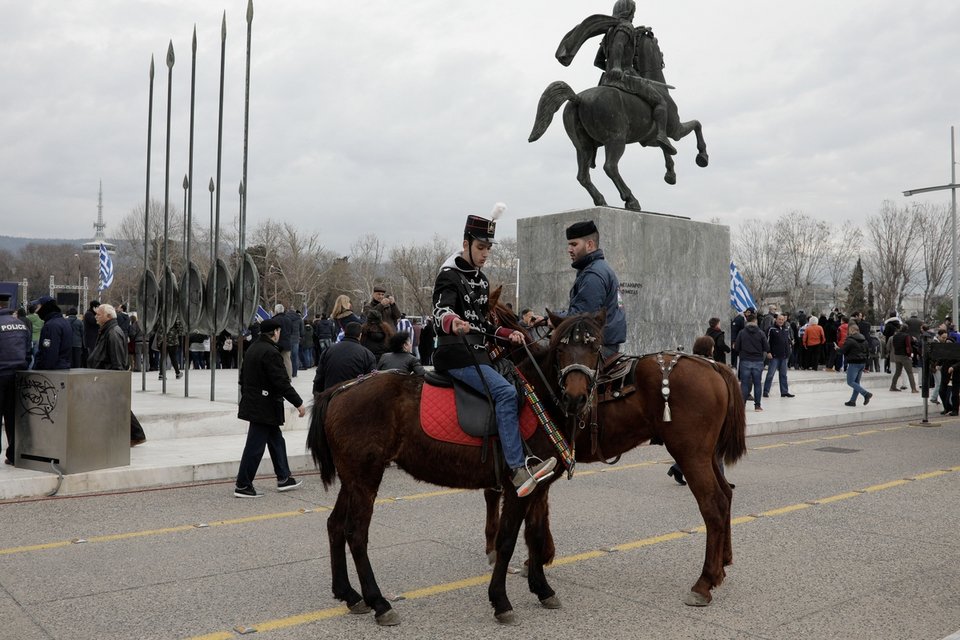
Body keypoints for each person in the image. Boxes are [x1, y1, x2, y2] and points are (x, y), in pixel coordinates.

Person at [433, 207, 556, 497]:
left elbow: (485, 325)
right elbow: (441, 311)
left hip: (480, 355)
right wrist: (453, 322)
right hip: (455, 355)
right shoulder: (448, 276)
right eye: (480, 247)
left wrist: (508, 334)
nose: (485, 253)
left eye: (488, 248)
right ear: (465, 244)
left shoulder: (482, 280)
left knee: (521, 385)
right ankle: (515, 469)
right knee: (505, 393)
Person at [590, 0, 676, 155]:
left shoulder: (608, 32)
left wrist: (610, 68)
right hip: (626, 77)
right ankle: (662, 135)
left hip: (606, 80)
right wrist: (618, 67)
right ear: (629, 12)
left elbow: (597, 62)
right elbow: (619, 46)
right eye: (633, 12)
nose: (633, 15)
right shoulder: (626, 27)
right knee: (660, 101)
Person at [234, 317, 306, 498]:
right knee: (255, 446)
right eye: (278, 331)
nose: (279, 334)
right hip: (264, 406)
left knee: (276, 441)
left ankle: (284, 478)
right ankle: (243, 485)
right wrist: (298, 402)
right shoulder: (271, 352)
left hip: (256, 403)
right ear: (275, 332)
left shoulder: (253, 348)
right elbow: (281, 381)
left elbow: (242, 378)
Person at [552, 220, 626, 358]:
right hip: (606, 343)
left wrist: (552, 320)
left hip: (599, 347)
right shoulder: (596, 268)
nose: (569, 249)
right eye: (569, 244)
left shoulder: (593, 275)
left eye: (574, 244)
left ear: (590, 245)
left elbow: (581, 317)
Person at [87, 303, 147, 446]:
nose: (96, 316)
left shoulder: (113, 332)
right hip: (104, 376)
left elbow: (117, 359)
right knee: (117, 407)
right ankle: (134, 435)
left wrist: (116, 379)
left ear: (108, 316)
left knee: (119, 406)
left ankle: (137, 434)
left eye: (99, 314)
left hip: (109, 377)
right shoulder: (107, 330)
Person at [0, 307, 30, 465]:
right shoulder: (20, 324)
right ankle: (13, 455)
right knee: (13, 417)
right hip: (17, 375)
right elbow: (28, 350)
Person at [313, 322, 377, 392]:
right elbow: (371, 381)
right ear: (360, 335)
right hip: (354, 396)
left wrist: (317, 395)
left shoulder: (328, 350)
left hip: (331, 396)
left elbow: (319, 378)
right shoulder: (367, 354)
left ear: (344, 333)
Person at [734, 308, 768, 412]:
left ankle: (742, 405)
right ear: (755, 321)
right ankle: (757, 406)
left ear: (747, 322)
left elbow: (736, 347)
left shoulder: (742, 332)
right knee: (757, 383)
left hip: (745, 360)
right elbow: (766, 347)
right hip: (758, 360)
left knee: (744, 384)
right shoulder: (761, 333)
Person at [33, 297, 72, 371]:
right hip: (63, 367)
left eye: (38, 307)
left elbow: (49, 352)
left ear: (45, 307)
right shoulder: (64, 322)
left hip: (52, 372)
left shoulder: (51, 325)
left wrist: (42, 368)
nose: (36, 311)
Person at [839, 323, 873, 407]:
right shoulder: (864, 340)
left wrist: (837, 349)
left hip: (854, 363)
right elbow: (868, 352)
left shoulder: (850, 340)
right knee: (856, 383)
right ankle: (852, 401)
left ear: (852, 330)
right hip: (862, 363)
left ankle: (866, 394)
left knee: (850, 382)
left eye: (849, 330)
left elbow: (842, 351)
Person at [762, 314, 794, 398]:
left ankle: (784, 391)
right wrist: (768, 352)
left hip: (784, 356)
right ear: (776, 320)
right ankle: (766, 391)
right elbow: (766, 341)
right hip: (774, 356)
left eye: (782, 320)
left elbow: (788, 340)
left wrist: (789, 348)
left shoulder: (786, 329)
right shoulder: (771, 329)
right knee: (770, 374)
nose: (781, 321)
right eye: (779, 319)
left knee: (783, 375)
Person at [889, 323, 918, 393]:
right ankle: (913, 388)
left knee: (897, 372)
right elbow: (908, 346)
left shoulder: (895, 336)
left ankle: (893, 386)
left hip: (896, 355)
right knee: (910, 373)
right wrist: (910, 354)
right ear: (906, 329)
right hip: (904, 356)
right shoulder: (906, 336)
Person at [272, 303, 294, 378]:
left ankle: (276, 377)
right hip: (287, 343)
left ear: (276, 311)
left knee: (275, 362)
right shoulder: (288, 319)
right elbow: (291, 331)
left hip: (276, 343)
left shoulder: (274, 319)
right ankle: (288, 377)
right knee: (287, 361)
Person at [82, 300, 100, 367]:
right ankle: (91, 367)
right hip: (90, 339)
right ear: (93, 307)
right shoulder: (88, 314)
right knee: (91, 355)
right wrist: (98, 314)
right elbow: (94, 322)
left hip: (94, 338)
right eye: (98, 307)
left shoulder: (92, 314)